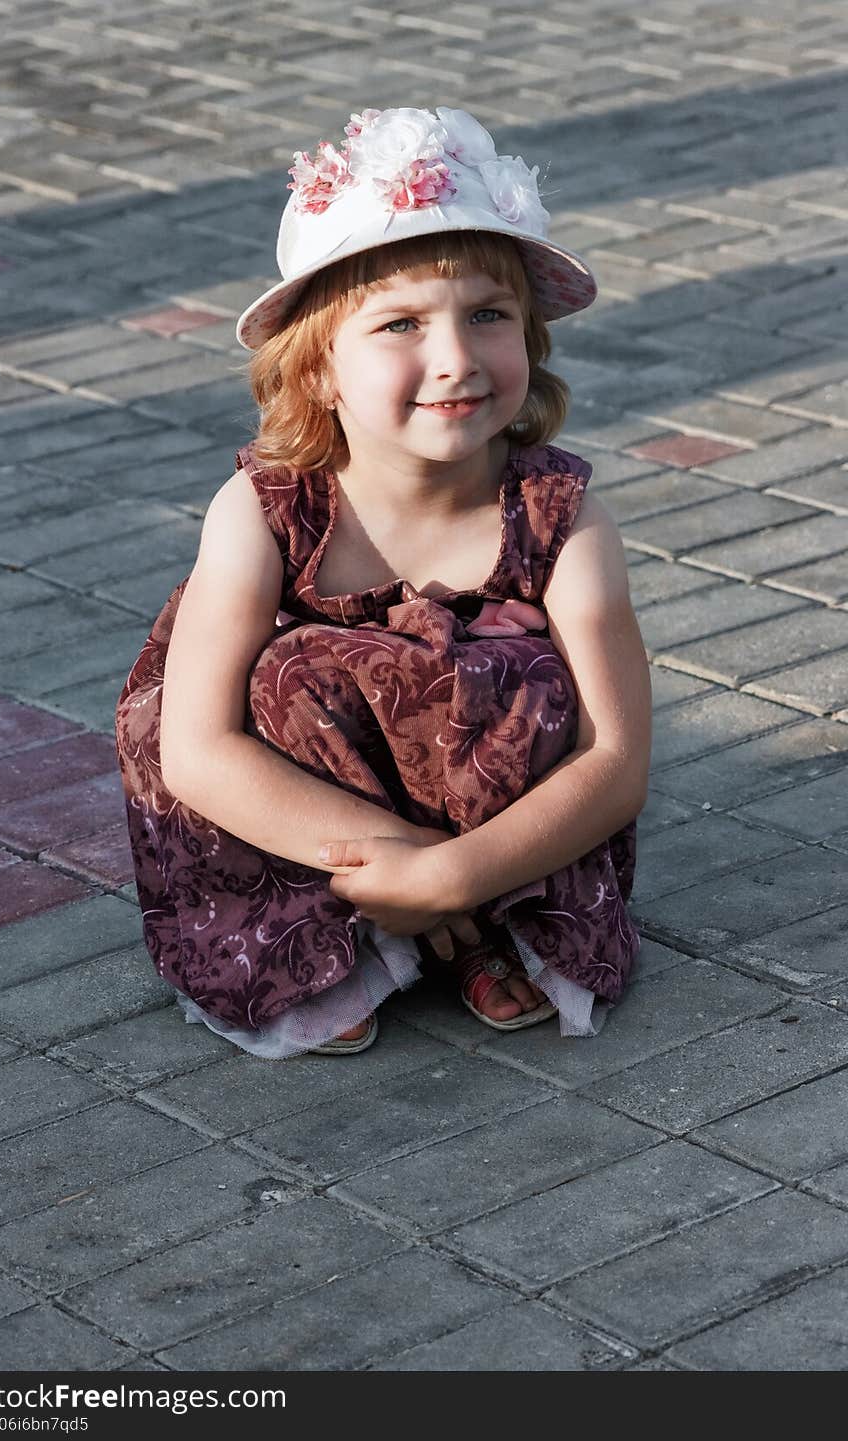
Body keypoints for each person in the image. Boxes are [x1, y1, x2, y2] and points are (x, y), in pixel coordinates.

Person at [115, 105, 651, 1060]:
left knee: (529, 684)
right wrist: (401, 863)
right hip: (312, 846)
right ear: (318, 368)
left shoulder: (565, 522)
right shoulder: (263, 511)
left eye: (488, 314)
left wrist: (463, 874)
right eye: (400, 323)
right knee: (286, 678)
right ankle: (342, 943)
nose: (454, 358)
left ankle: (485, 930)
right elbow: (195, 750)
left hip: (502, 849)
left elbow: (615, 763)